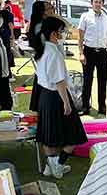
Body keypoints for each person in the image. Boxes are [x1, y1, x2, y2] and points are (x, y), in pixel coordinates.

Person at [34, 17, 87, 179]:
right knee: (74, 134)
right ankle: (58, 164)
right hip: (56, 96)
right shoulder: (53, 53)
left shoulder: (42, 49)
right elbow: (59, 81)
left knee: (48, 134)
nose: (64, 34)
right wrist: (66, 103)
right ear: (54, 34)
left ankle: (51, 166)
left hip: (44, 95)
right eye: (62, 31)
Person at [78, 0, 107, 116]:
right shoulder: (85, 16)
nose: (98, 4)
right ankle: (85, 107)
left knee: (102, 81)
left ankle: (102, 107)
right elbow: (80, 36)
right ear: (92, 3)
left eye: (100, 2)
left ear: (102, 4)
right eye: (96, 2)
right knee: (87, 81)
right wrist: (81, 53)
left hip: (103, 52)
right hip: (89, 51)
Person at [27, 0, 56, 113]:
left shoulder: (46, 23)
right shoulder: (41, 26)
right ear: (43, 12)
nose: (52, 10)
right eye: (49, 8)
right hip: (46, 63)